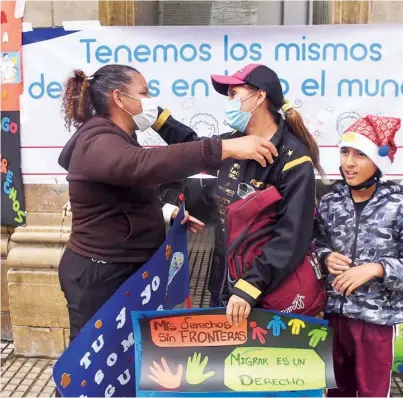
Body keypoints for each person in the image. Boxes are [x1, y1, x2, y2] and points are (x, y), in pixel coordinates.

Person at [57, 64, 278, 350]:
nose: (151, 101)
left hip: (122, 271)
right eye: (144, 93)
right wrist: (222, 148)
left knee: (121, 359)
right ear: (119, 99)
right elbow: (141, 166)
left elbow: (124, 189)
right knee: (91, 362)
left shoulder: (118, 138)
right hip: (99, 277)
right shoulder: (97, 139)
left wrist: (164, 212)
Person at [150, 63, 326, 326]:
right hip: (222, 283)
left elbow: (292, 236)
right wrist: (157, 118)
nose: (229, 102)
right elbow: (195, 147)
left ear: (259, 96)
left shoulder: (293, 158)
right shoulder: (233, 144)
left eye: (234, 94)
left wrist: (250, 287)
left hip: (262, 294)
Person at [313, 115, 403, 397]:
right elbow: (314, 243)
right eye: (345, 152)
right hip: (333, 318)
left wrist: (377, 268)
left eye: (360, 154)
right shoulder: (331, 201)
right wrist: (324, 257)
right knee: (335, 391)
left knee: (372, 393)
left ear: (378, 162)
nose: (349, 163)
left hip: (377, 322)